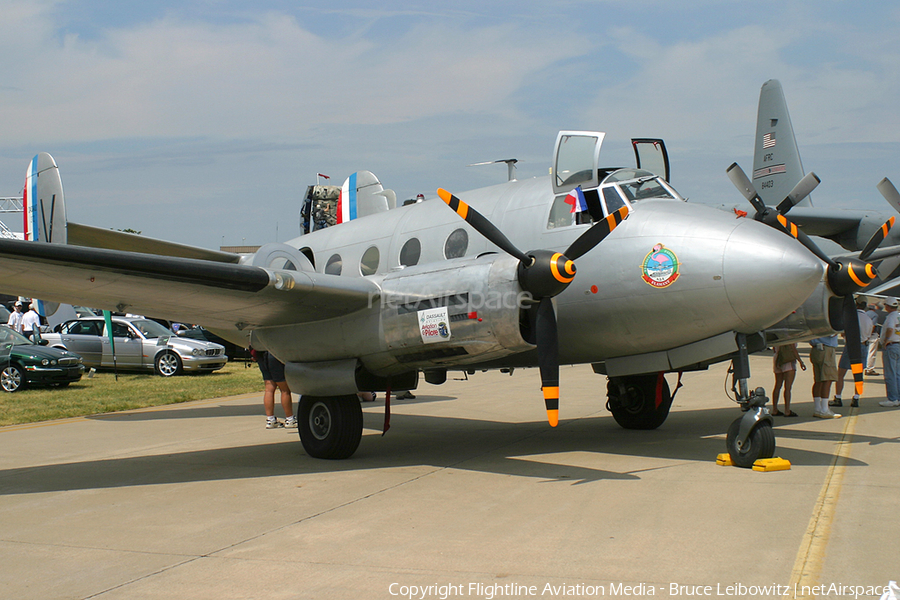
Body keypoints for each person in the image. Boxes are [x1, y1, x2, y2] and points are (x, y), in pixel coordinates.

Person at [831, 298, 875, 408]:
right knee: (858, 375)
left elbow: (843, 332)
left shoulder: (852, 317)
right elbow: (870, 333)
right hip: (863, 345)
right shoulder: (869, 319)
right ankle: (856, 397)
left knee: (841, 373)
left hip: (851, 345)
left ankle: (838, 397)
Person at [251, 348, 296, 428]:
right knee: (284, 389)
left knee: (269, 389)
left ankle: (270, 419)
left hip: (260, 354)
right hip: (274, 354)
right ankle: (290, 419)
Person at [809, 333, 841, 418]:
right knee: (827, 379)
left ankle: (817, 408)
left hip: (816, 348)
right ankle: (824, 409)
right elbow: (832, 333)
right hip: (826, 348)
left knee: (818, 380)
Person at [772, 343, 805, 417]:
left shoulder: (778, 334)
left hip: (778, 358)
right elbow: (793, 349)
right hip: (788, 359)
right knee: (788, 387)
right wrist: (800, 361)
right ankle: (787, 410)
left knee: (777, 385)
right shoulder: (789, 335)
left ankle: (775, 409)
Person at [879, 297, 900, 408]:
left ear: (888, 306)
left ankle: (892, 398)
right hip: (898, 344)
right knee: (897, 373)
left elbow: (890, 328)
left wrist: (886, 340)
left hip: (891, 345)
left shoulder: (891, 317)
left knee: (890, 373)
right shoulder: (899, 315)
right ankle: (898, 397)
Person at [865, 302, 883, 375]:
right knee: (871, 352)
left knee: (865, 352)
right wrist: (869, 334)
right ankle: (869, 368)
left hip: (864, 335)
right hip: (872, 335)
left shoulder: (865, 314)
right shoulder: (875, 315)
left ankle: (864, 366)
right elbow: (873, 325)